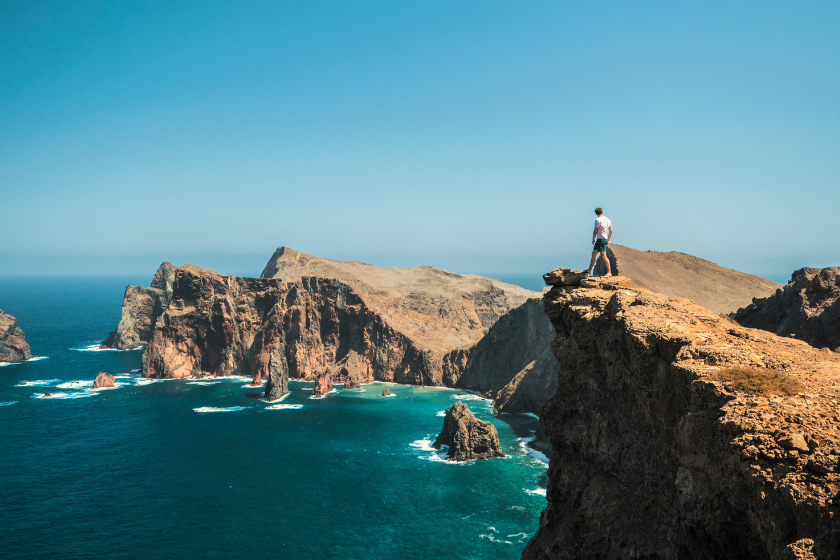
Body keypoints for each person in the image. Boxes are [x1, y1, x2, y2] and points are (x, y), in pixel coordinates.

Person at [585, 207, 613, 277]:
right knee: (594, 254)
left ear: (596, 213)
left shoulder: (597, 220)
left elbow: (595, 231)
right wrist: (608, 239)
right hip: (602, 239)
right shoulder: (607, 220)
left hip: (601, 239)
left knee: (603, 256)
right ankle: (589, 269)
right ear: (602, 212)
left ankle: (609, 272)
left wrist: (593, 239)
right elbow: (611, 230)